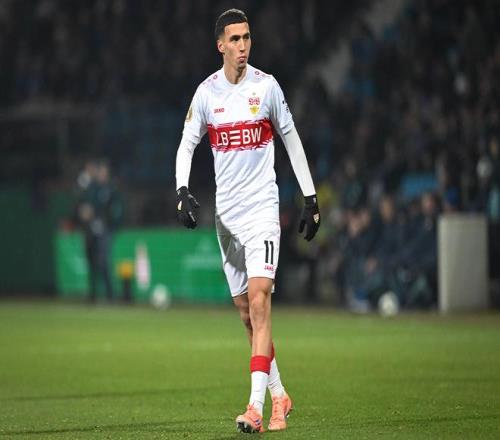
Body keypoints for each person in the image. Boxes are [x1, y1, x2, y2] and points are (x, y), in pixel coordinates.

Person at [174, 9, 320, 433]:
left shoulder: (266, 87)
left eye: (247, 37)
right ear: (220, 45)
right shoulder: (207, 94)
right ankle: (280, 394)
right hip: (227, 218)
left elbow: (291, 139)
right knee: (245, 314)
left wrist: (310, 197)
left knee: (259, 300)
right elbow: (186, 144)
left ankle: (255, 409)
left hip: (262, 211)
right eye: (235, 39)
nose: (243, 46)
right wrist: (182, 191)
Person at [76, 160, 124, 302]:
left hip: (105, 230)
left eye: (104, 172)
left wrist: (111, 225)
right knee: (91, 261)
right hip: (91, 229)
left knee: (102, 261)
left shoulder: (111, 189)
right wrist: (84, 212)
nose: (101, 175)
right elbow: (82, 203)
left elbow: (116, 210)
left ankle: (110, 294)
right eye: (100, 172)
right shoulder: (91, 188)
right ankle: (92, 294)